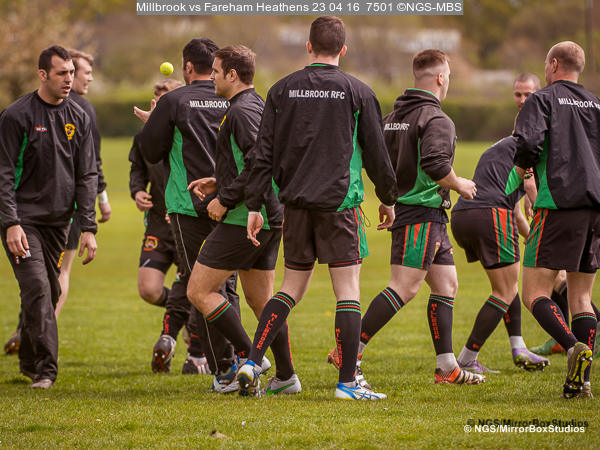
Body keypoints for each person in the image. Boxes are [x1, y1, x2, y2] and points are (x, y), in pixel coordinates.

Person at [238, 16, 398, 400]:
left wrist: (255, 204)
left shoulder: (280, 90)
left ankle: (252, 361)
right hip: (339, 205)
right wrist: (388, 197)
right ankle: (347, 383)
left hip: (294, 205)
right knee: (347, 291)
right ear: (343, 49)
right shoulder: (359, 91)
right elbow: (377, 154)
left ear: (308, 46)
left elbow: (262, 153)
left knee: (290, 287)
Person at [331, 49, 485, 388]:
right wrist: (460, 184)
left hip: (420, 212)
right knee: (404, 286)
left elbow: (375, 161)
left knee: (446, 285)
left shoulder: (392, 116)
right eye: (449, 76)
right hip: (420, 212)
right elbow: (436, 164)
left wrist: (389, 197)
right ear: (441, 78)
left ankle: (446, 366)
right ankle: (349, 350)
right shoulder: (437, 119)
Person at [186, 45, 300, 395]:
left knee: (199, 291)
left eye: (216, 71)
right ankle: (286, 377)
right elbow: (256, 161)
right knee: (262, 302)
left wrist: (225, 198)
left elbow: (257, 164)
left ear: (232, 75)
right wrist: (220, 180)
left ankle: (252, 357)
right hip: (268, 216)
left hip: (246, 218)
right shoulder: (255, 105)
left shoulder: (241, 111)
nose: (212, 77)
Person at [138, 38, 240, 379]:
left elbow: (151, 152)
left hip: (188, 207)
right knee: (226, 286)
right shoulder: (233, 98)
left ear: (187, 67)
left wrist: (154, 121)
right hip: (230, 203)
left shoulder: (174, 100)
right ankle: (239, 361)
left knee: (202, 288)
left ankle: (223, 368)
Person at [0, 45, 98, 389]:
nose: (69, 79)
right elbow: (3, 173)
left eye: (71, 72)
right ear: (43, 75)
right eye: (61, 73)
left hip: (60, 222)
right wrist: (10, 222)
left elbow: (87, 175)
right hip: (22, 221)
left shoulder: (80, 117)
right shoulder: (16, 116)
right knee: (38, 288)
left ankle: (28, 359)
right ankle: (46, 371)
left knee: (50, 291)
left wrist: (88, 227)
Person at [514, 41, 598, 398]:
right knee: (582, 298)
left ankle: (572, 345)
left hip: (558, 204)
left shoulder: (542, 99)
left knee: (533, 293)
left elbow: (526, 143)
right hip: (595, 209)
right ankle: (581, 383)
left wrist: (525, 167)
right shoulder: (596, 103)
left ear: (552, 65)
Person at [450, 136, 549, 373]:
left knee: (507, 285)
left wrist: (532, 237)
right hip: (491, 214)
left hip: (463, 215)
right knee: (505, 291)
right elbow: (530, 187)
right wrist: (543, 219)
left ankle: (518, 346)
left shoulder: (499, 148)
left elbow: (516, 212)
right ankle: (467, 358)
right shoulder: (531, 148)